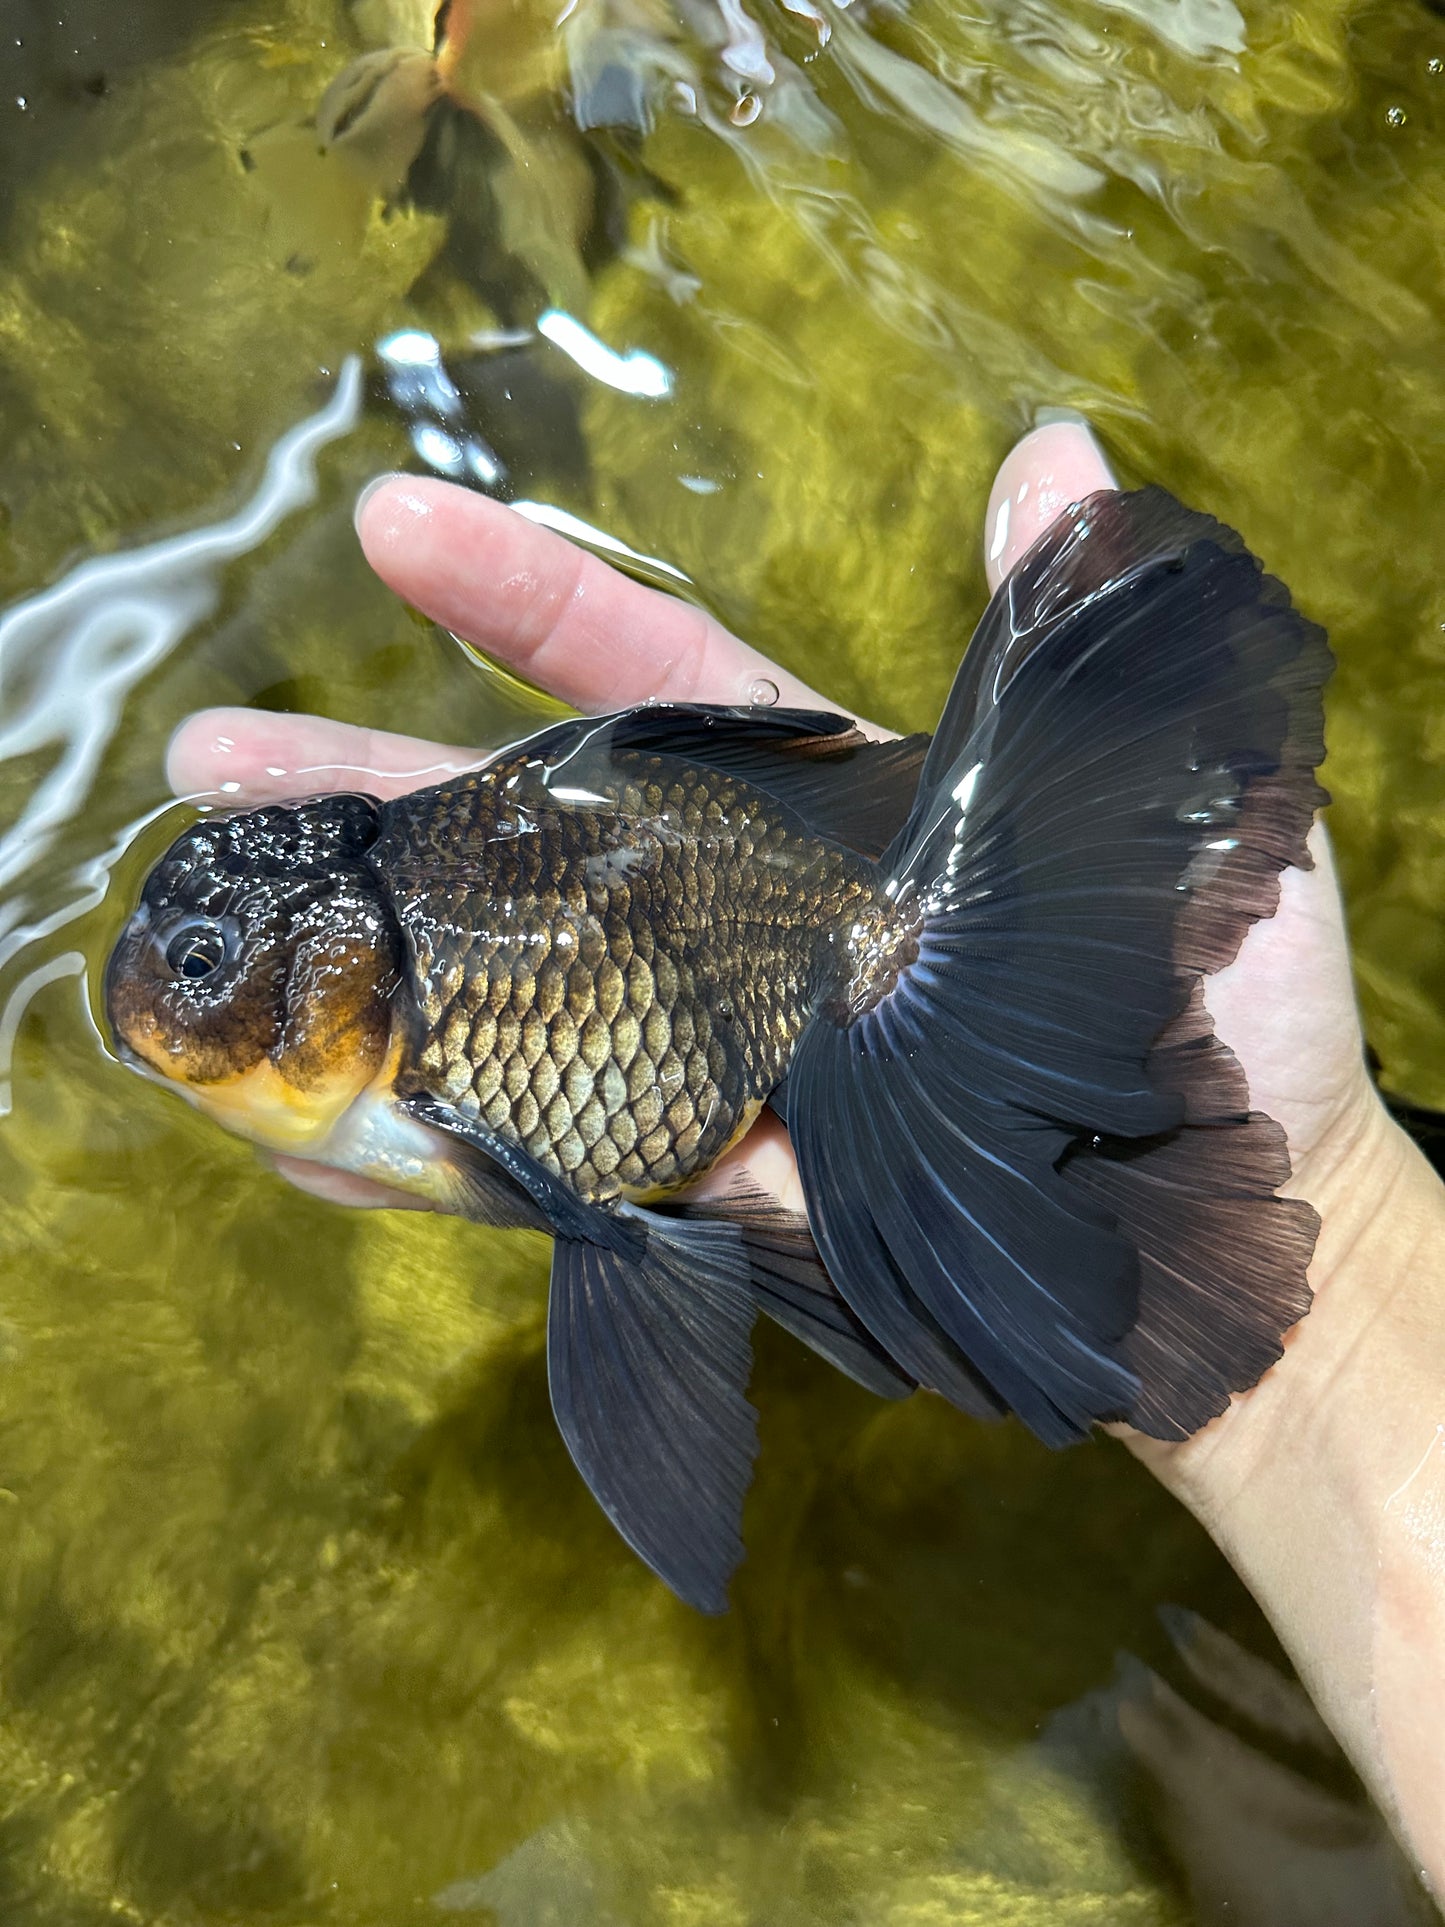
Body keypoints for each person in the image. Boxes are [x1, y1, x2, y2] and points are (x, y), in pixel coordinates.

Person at [166, 421, 1445, 1899]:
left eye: (207, 964)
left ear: (349, 979)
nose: (179, 999)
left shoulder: (440, 1077)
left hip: (785, 944)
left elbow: (612, 1244)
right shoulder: (412, 1017)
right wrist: (1340, 1262)